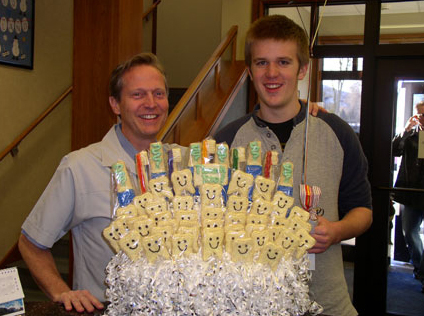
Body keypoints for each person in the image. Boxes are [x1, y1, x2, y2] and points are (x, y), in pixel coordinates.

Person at [214, 15, 373, 316]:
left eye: (284, 62)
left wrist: (337, 231)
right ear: (249, 71)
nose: (272, 73)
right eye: (261, 62)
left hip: (327, 303)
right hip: (249, 304)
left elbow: (363, 210)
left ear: (302, 69)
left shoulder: (336, 133)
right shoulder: (225, 140)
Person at [18, 52, 180, 313]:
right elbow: (31, 243)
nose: (151, 103)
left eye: (158, 94)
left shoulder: (184, 166)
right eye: (137, 95)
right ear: (115, 105)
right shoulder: (79, 166)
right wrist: (60, 292)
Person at [392, 100, 424, 292]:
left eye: (423, 114)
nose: (420, 118)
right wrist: (405, 129)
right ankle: (420, 267)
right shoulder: (411, 135)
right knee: (409, 232)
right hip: (411, 191)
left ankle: (422, 272)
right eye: (418, 114)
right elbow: (394, 150)